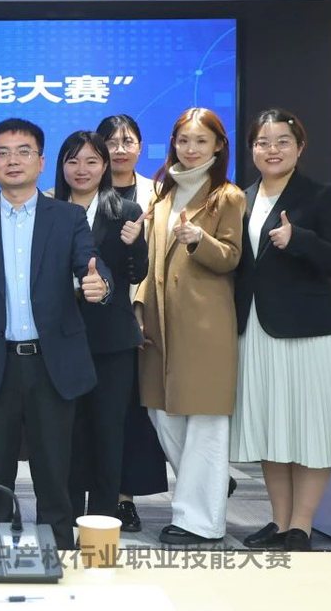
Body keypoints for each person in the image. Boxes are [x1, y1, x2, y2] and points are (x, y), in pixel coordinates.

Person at [0, 118, 110, 551]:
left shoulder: (68, 217)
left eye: (23, 152)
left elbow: (91, 266)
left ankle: (59, 552)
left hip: (52, 365)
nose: (12, 160)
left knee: (54, 472)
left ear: (40, 161)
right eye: (2, 153)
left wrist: (100, 285)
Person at [231, 109, 331, 552]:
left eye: (282, 141)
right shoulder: (242, 198)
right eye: (263, 142)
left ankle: (301, 527)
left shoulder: (321, 195)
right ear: (252, 149)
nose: (272, 150)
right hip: (258, 329)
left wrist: (299, 240)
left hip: (312, 333)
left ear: (300, 147)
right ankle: (278, 520)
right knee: (273, 427)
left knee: (310, 429)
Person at [134, 107, 245, 546]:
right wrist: (139, 306)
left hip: (205, 327)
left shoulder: (227, 196)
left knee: (205, 425)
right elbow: (151, 260)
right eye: (184, 140)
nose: (191, 149)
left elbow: (231, 257)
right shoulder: (162, 194)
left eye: (201, 141)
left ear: (218, 145)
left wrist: (200, 240)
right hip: (159, 324)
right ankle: (204, 495)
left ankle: (201, 522)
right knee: (163, 415)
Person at [52, 131, 149, 522]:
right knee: (67, 435)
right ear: (60, 166)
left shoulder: (125, 210)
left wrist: (136, 244)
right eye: (73, 161)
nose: (82, 169)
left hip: (111, 340)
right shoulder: (48, 209)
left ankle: (103, 521)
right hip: (61, 340)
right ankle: (67, 519)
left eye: (92, 161)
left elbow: (137, 273)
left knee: (109, 432)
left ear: (105, 166)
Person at [95, 113, 166, 532]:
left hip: (146, 318)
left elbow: (158, 263)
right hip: (98, 323)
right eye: (111, 142)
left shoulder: (159, 195)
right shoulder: (76, 191)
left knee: (133, 414)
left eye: (128, 141)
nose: (119, 149)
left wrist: (140, 314)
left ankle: (124, 498)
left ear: (140, 146)